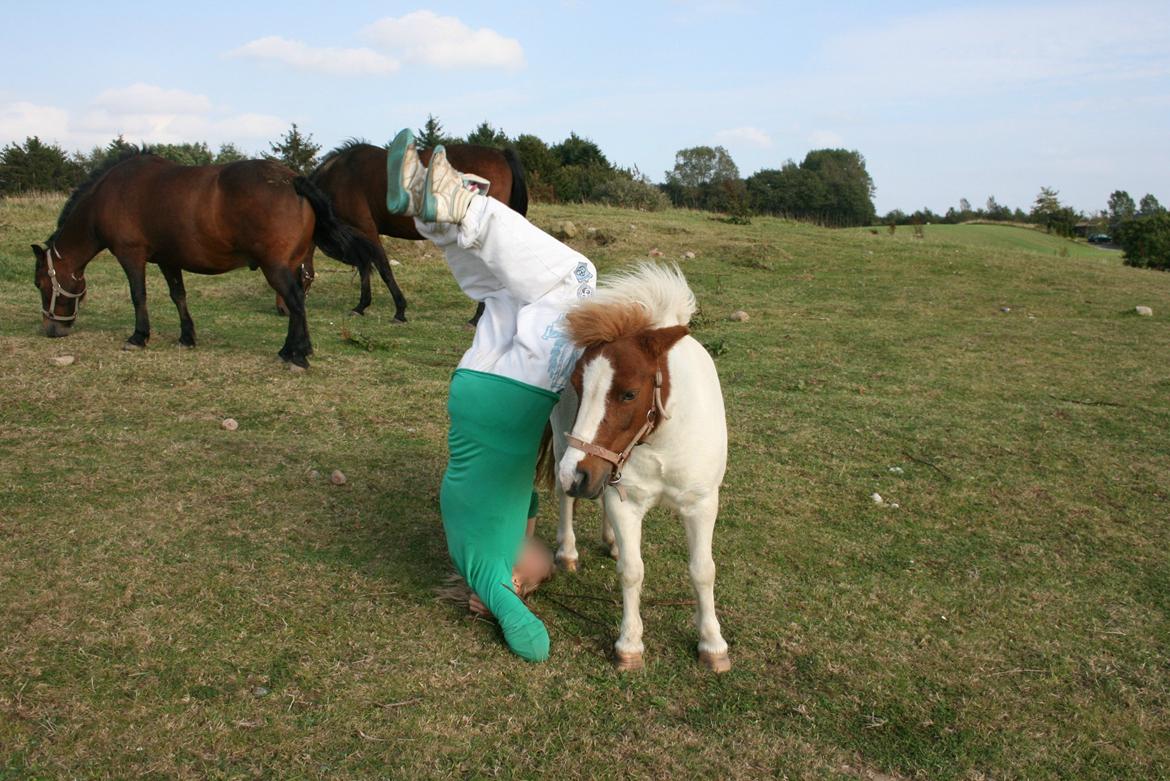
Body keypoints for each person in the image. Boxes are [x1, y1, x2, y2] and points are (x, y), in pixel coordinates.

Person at [385, 128, 596, 662]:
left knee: (577, 280)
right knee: (503, 291)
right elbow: (524, 497)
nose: (543, 551)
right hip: (472, 392)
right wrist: (528, 536)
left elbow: (536, 647)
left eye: (540, 565)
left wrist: (500, 602)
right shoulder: (470, 537)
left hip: (512, 401)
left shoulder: (487, 567)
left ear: (520, 582)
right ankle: (426, 210)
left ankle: (465, 206)